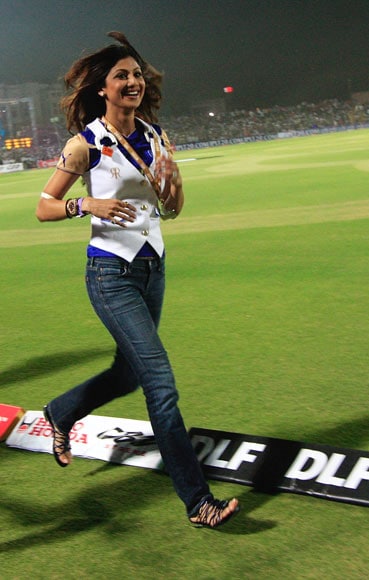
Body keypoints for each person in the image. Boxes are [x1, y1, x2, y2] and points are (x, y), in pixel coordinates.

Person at [35, 32, 239, 529]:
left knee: (128, 374)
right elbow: (43, 208)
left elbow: (172, 207)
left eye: (137, 74)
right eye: (121, 76)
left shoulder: (155, 135)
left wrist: (172, 184)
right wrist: (88, 204)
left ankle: (61, 413)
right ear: (101, 88)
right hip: (110, 272)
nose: (133, 81)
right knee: (160, 385)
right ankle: (198, 502)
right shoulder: (85, 144)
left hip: (152, 267)